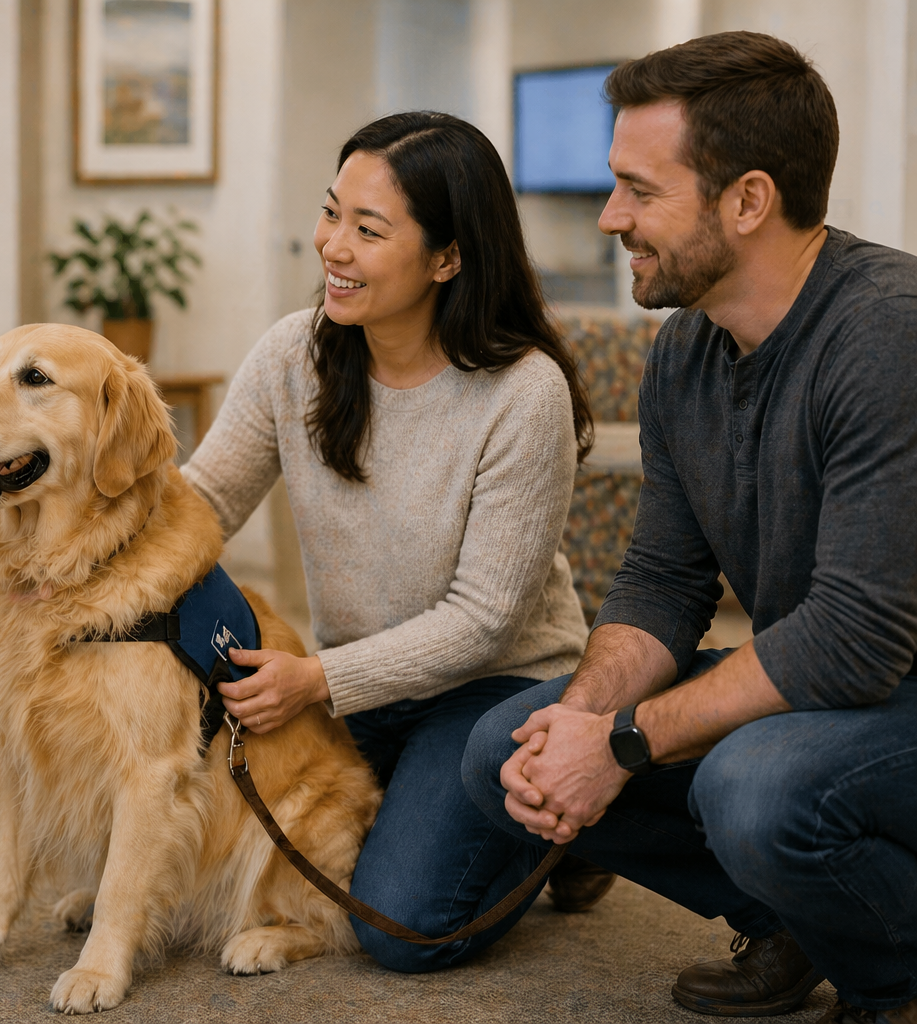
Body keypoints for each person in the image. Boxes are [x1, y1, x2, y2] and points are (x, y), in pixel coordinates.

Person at [462, 32, 917, 1024]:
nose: (610, 216)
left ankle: (892, 980)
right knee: (507, 743)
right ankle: (800, 917)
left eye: (638, 189)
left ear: (748, 200)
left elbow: (857, 639)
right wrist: (584, 723)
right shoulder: (683, 355)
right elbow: (665, 582)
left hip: (894, 688)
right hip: (843, 693)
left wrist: (622, 745)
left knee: (758, 786)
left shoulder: (889, 332)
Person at [183, 111, 603, 972]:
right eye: (332, 212)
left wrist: (315, 681)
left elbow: (485, 621)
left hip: (493, 691)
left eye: (368, 230)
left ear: (448, 258)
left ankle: (572, 832)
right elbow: (202, 504)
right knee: (223, 844)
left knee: (399, 927)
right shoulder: (292, 357)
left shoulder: (524, 394)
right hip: (359, 687)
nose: (331, 245)